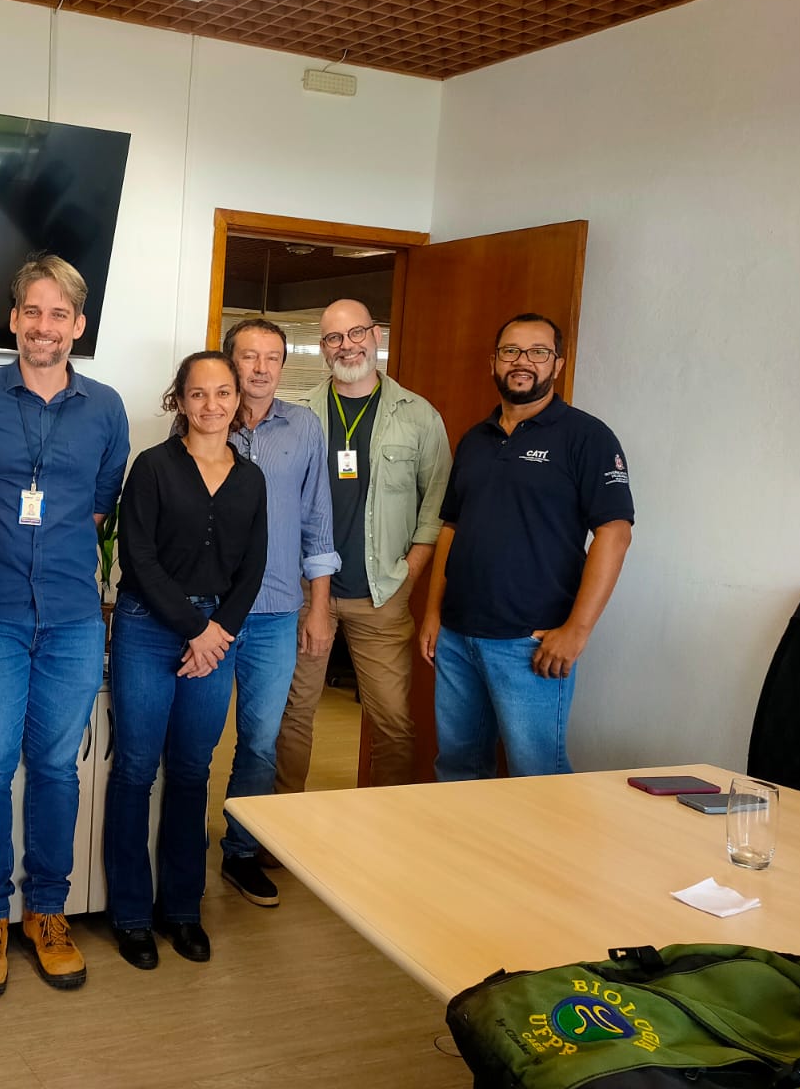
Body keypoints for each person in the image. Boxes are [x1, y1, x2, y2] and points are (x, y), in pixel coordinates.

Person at [0, 254, 129, 998]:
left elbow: (99, 502)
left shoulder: (107, 407)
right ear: (14, 318)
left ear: (78, 326)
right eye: (33, 311)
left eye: (60, 314)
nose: (44, 326)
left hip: (73, 617)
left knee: (57, 769)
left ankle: (45, 914)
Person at [419, 313, 634, 780]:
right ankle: (464, 855)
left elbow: (615, 534)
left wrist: (577, 630)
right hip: (458, 637)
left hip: (530, 642)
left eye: (538, 352)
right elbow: (451, 528)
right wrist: (434, 613)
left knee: (537, 774)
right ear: (493, 362)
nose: (523, 362)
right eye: (511, 351)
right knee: (457, 766)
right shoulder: (476, 439)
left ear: (556, 364)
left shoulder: (587, 437)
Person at [105, 351, 267, 968]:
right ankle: (129, 915)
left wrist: (217, 632)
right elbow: (137, 558)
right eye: (198, 394)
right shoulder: (152, 467)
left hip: (217, 638)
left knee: (193, 773)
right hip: (151, 629)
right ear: (180, 400)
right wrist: (196, 629)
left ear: (236, 400)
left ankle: (181, 910)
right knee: (136, 770)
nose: (212, 406)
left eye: (223, 394)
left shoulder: (250, 479)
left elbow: (254, 566)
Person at [275, 299, 451, 798]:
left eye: (355, 333)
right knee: (293, 717)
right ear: (324, 347)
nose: (346, 345)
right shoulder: (299, 414)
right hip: (307, 593)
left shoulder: (418, 416)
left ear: (375, 335)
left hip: (383, 594)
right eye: (333, 338)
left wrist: (409, 574)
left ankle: (384, 834)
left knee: (394, 725)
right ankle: (279, 832)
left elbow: (437, 505)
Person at [213, 319, 338, 909]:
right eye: (248, 356)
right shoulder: (205, 418)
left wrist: (319, 610)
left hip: (276, 613)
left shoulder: (306, 427)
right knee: (194, 740)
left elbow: (318, 522)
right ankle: (182, 851)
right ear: (228, 361)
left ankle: (241, 852)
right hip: (209, 614)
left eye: (272, 358)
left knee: (261, 741)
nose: (260, 369)